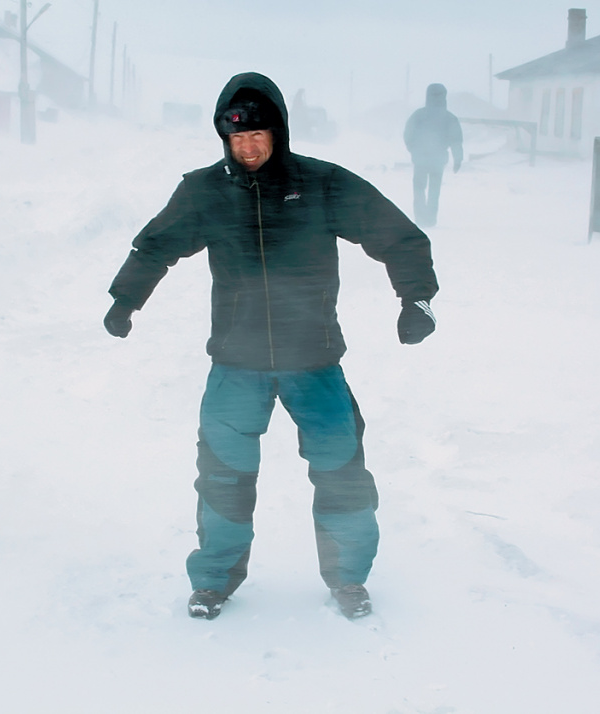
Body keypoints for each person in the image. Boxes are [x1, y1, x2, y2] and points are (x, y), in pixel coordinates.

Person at [103, 72, 439, 621]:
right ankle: (213, 582)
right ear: (224, 138)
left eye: (259, 134)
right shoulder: (205, 192)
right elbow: (155, 246)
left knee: (342, 472)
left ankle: (348, 578)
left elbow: (397, 235)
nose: (249, 146)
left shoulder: (322, 184)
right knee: (222, 475)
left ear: (279, 131)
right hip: (238, 361)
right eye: (237, 138)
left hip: (314, 359)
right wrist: (125, 300)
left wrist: (417, 299)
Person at [403, 83, 464, 228]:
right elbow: (456, 140)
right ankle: (430, 219)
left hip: (420, 159)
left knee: (418, 188)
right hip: (438, 159)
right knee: (434, 190)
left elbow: (408, 135)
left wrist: (413, 150)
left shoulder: (418, 115)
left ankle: (420, 218)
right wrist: (458, 159)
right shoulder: (450, 118)